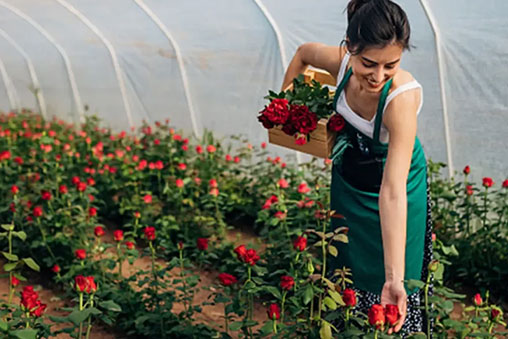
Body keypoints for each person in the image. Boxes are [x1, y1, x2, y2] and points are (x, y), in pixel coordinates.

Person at [281, 0, 433, 336]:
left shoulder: (400, 100)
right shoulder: (341, 65)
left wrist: (394, 279)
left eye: (390, 65)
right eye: (369, 63)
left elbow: (392, 191)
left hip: (397, 187)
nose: (378, 76)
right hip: (349, 180)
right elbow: (303, 53)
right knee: (345, 260)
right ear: (350, 48)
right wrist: (286, 106)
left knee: (392, 271)